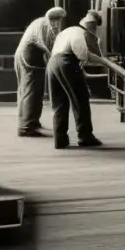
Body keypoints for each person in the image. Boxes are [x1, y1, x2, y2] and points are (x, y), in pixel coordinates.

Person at [48, 10, 105, 150]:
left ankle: (60, 139)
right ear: (90, 27)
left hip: (52, 64)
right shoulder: (79, 34)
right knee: (80, 98)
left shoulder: (67, 31)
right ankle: (85, 136)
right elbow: (83, 54)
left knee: (59, 102)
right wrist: (104, 62)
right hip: (66, 62)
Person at [15, 6, 67, 137]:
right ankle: (26, 128)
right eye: (54, 20)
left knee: (29, 90)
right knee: (32, 91)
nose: (56, 23)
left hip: (27, 55)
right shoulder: (45, 27)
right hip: (29, 57)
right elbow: (52, 52)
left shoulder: (42, 22)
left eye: (58, 20)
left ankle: (31, 122)